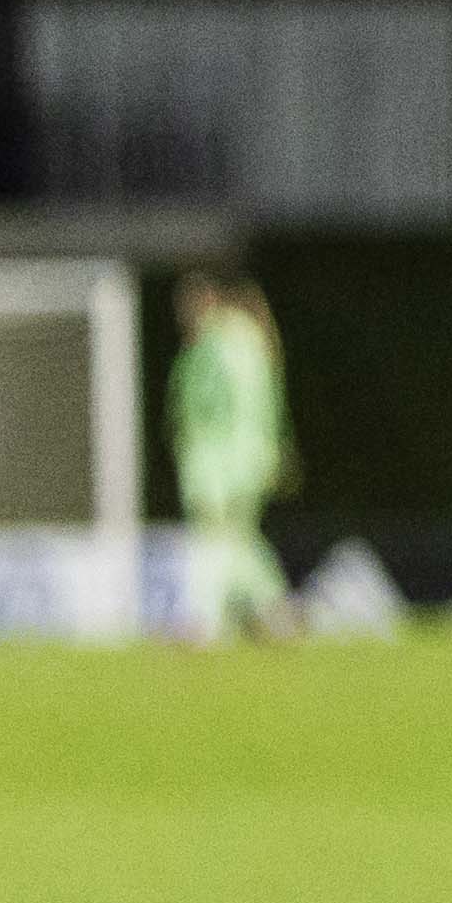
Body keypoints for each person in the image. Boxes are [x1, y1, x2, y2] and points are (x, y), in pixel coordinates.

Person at [165, 265, 288, 634]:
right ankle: (274, 610)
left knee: (214, 540)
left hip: (221, 462)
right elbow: (268, 407)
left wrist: (205, 464)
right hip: (249, 457)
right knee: (238, 539)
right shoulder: (252, 341)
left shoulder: (216, 345)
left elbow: (207, 413)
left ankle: (206, 622)